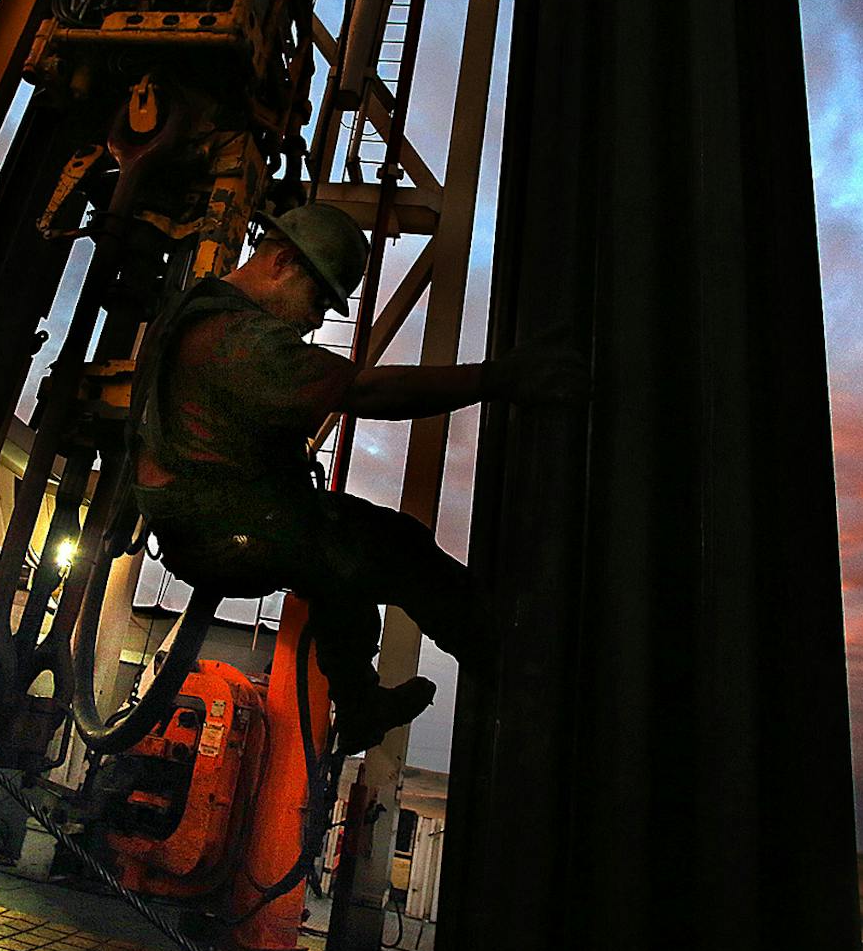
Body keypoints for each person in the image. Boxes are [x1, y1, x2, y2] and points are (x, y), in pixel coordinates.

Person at [133, 204, 586, 754]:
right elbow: (367, 393)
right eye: (319, 299)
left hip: (218, 522)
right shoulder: (235, 340)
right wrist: (501, 378)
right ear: (282, 263)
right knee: (397, 551)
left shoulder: (196, 312)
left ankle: (360, 703)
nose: (318, 319)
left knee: (341, 554)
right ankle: (525, 682)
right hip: (226, 531)